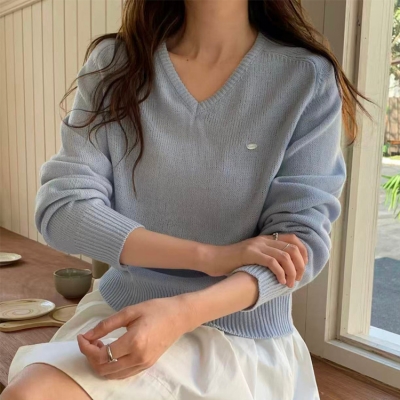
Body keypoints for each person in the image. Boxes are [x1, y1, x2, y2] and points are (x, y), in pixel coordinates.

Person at [1, 0, 370, 398]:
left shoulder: (305, 77)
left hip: (236, 331)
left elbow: (298, 246)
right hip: (118, 311)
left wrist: (182, 312)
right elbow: (62, 210)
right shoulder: (116, 64)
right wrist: (210, 257)